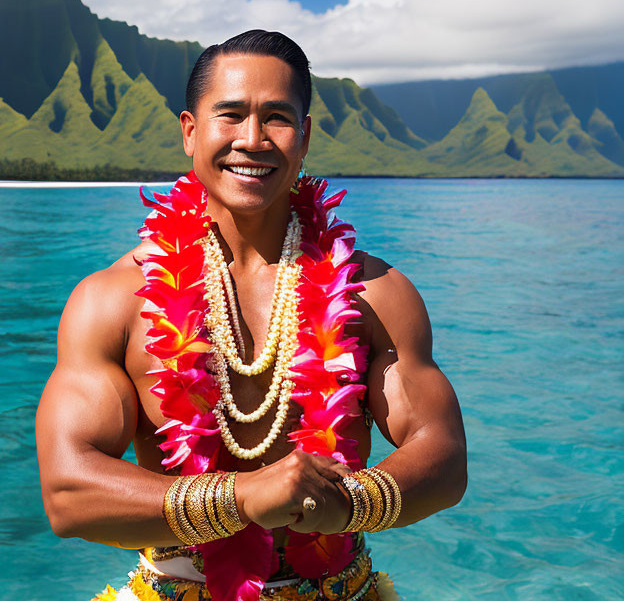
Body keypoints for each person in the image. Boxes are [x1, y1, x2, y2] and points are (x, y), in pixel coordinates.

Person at [35, 30, 468, 601]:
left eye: (278, 118)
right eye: (231, 115)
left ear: (306, 135)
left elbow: (443, 455)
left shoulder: (374, 294)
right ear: (190, 131)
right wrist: (240, 500)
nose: (253, 140)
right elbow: (68, 494)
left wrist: (352, 504)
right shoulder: (115, 301)